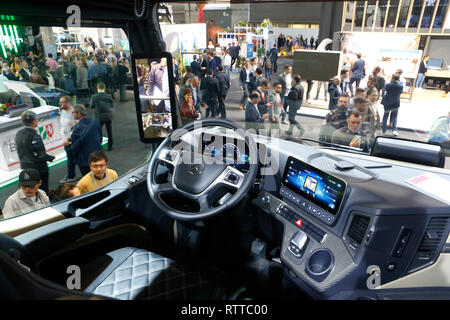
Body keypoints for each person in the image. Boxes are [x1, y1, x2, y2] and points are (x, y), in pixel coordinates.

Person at [15, 110, 55, 195]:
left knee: (31, 190)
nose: (37, 121)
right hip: (39, 168)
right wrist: (50, 158)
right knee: (43, 189)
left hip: (25, 167)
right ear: (33, 121)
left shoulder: (18, 134)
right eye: (36, 119)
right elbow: (41, 155)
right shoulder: (34, 135)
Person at [64, 104, 103, 176]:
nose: (72, 114)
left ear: (78, 114)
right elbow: (100, 137)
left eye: (73, 112)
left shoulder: (75, 129)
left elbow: (75, 147)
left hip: (85, 160)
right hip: (99, 155)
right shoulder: (95, 121)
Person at [90, 82, 114, 151]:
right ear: (104, 88)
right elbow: (111, 106)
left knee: (98, 131)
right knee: (109, 131)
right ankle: (110, 146)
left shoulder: (94, 96)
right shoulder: (109, 96)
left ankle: (99, 145)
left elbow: (92, 106)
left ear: (97, 88)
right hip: (108, 116)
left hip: (99, 117)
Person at [59, 96, 78, 183]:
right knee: (71, 158)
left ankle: (71, 176)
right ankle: (71, 175)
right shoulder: (62, 111)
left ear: (68, 103)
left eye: (62, 102)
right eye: (60, 102)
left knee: (72, 159)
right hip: (65, 140)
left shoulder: (73, 112)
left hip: (72, 140)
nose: (60, 104)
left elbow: (75, 127)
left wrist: (69, 140)